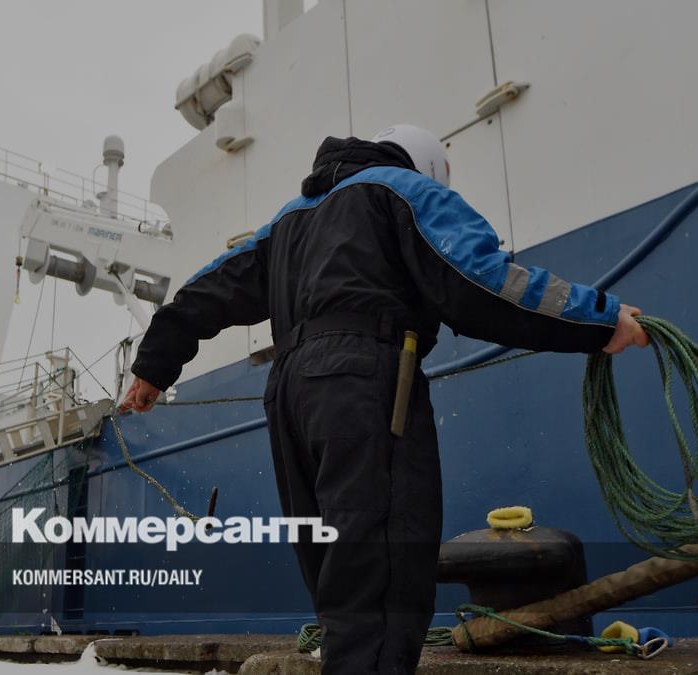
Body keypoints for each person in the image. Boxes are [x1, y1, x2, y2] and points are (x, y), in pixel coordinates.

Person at [119, 124, 649, 674]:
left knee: (337, 569)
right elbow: (483, 282)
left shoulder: (288, 220)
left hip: (289, 392)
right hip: (363, 380)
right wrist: (599, 318)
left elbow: (207, 291)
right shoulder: (407, 191)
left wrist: (154, 365)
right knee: (382, 568)